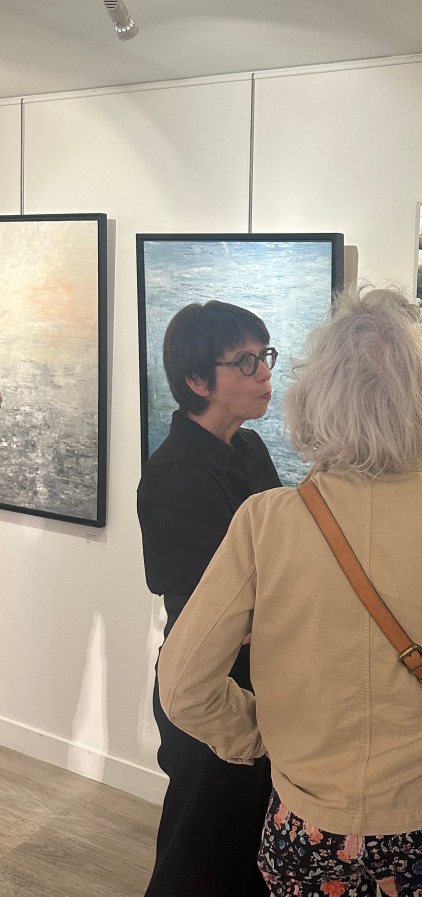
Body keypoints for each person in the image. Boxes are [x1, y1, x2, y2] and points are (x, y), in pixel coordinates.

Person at [157, 286, 422, 897]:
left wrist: (263, 734)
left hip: (304, 822)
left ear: (315, 398)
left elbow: (183, 687)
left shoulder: (265, 520)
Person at [137, 300, 282, 897]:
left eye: (264, 356)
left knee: (251, 848)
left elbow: (280, 560)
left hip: (258, 676)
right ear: (198, 380)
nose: (264, 372)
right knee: (198, 854)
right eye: (245, 361)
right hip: (204, 685)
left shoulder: (250, 449)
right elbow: (216, 604)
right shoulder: (172, 474)